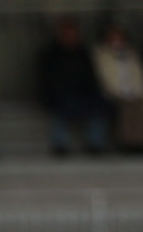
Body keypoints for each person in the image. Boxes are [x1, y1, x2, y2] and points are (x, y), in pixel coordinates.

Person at [38, 18, 107, 155]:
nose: (70, 37)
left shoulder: (83, 53)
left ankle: (95, 143)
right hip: (60, 95)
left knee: (99, 107)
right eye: (67, 34)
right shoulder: (51, 55)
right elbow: (47, 80)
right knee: (59, 108)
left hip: (83, 93)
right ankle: (60, 144)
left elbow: (91, 77)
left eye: (73, 34)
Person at [93, 24, 143, 152]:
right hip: (114, 92)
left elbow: (140, 75)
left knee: (139, 104)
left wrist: (137, 91)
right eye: (113, 38)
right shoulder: (101, 54)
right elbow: (103, 76)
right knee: (125, 105)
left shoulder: (132, 55)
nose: (116, 41)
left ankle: (139, 143)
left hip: (134, 91)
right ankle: (126, 143)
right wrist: (118, 91)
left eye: (119, 37)